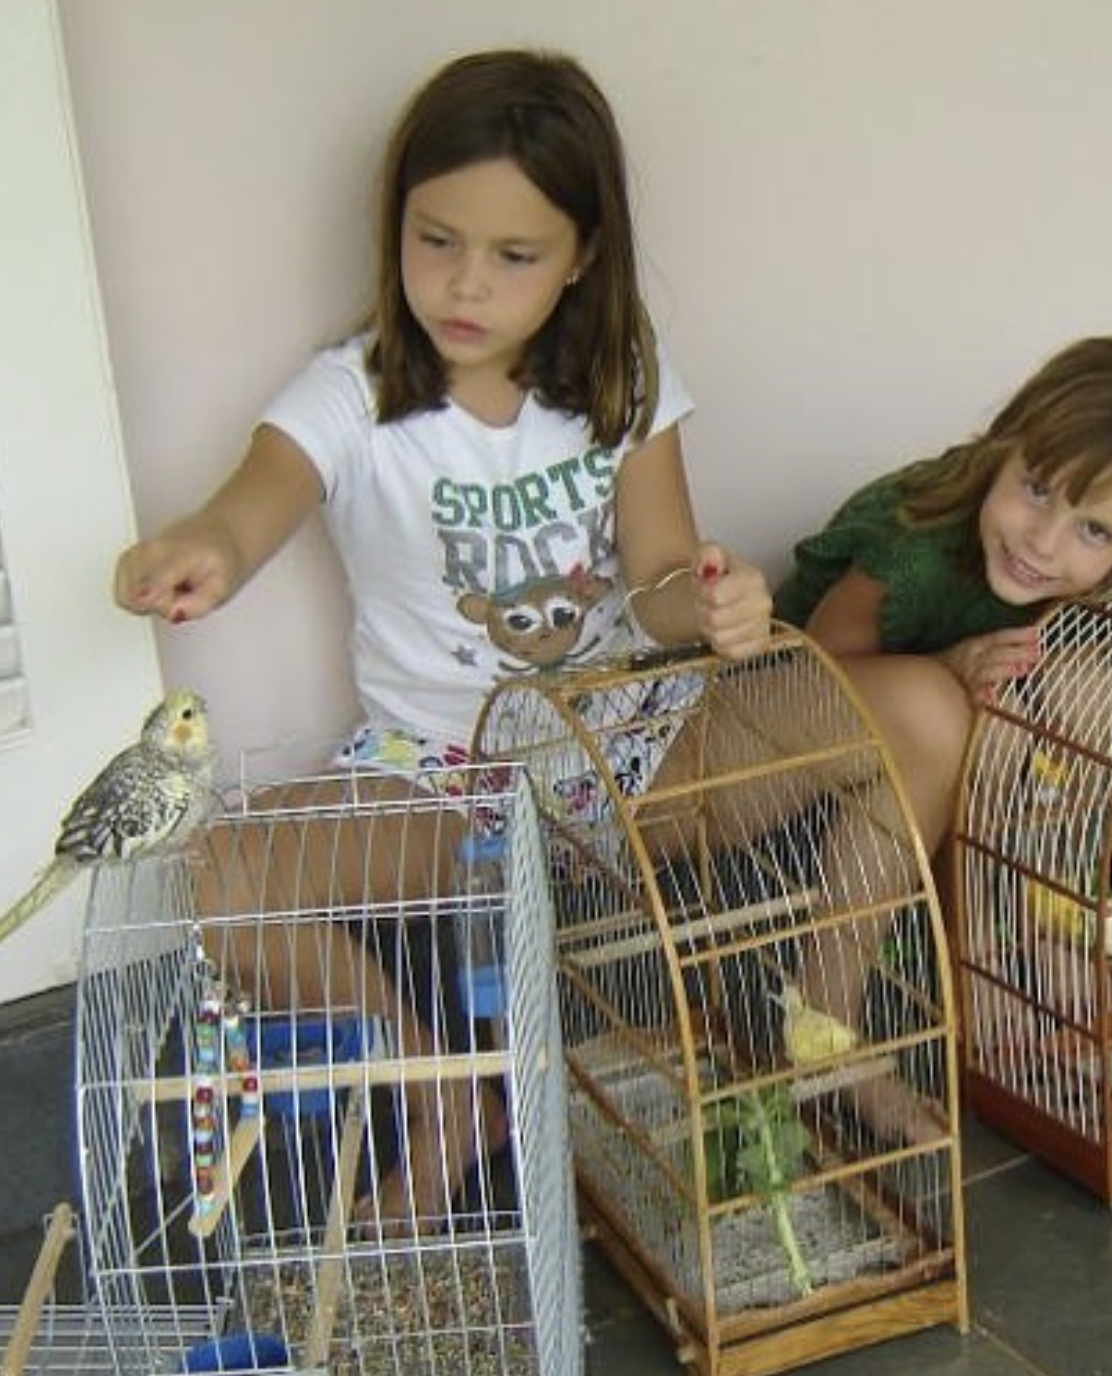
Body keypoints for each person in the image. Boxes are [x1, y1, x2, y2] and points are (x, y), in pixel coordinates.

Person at [113, 49, 772, 1227]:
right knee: (222, 873)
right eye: (435, 239)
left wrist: (713, 600)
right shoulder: (355, 390)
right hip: (446, 776)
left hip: (619, 744)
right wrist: (206, 546)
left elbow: (666, 572)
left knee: (888, 720)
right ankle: (449, 1091)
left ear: (581, 260)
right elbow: (258, 496)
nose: (463, 283)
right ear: (394, 227)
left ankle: (759, 1033)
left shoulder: (622, 377)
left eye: (513, 255)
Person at [772, 335, 1112, 1139]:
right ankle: (907, 991)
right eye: (1034, 489)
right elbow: (821, 669)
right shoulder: (914, 544)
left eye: (1095, 531)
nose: (1043, 541)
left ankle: (1039, 910)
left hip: (962, 723)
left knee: (1082, 686)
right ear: (1005, 447)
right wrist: (950, 665)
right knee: (940, 702)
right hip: (802, 708)